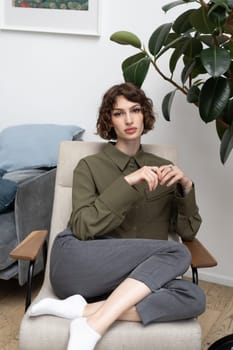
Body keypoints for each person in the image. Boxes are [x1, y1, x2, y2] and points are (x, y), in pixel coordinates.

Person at [29, 83, 206, 350]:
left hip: (133, 281)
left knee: (194, 298)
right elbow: (83, 226)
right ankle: (92, 328)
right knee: (177, 254)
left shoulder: (164, 169)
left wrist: (187, 188)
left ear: (144, 114)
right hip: (80, 263)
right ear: (108, 121)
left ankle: (85, 313)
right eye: (118, 113)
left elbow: (188, 233)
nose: (129, 119)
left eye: (135, 110)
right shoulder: (89, 166)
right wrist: (129, 182)